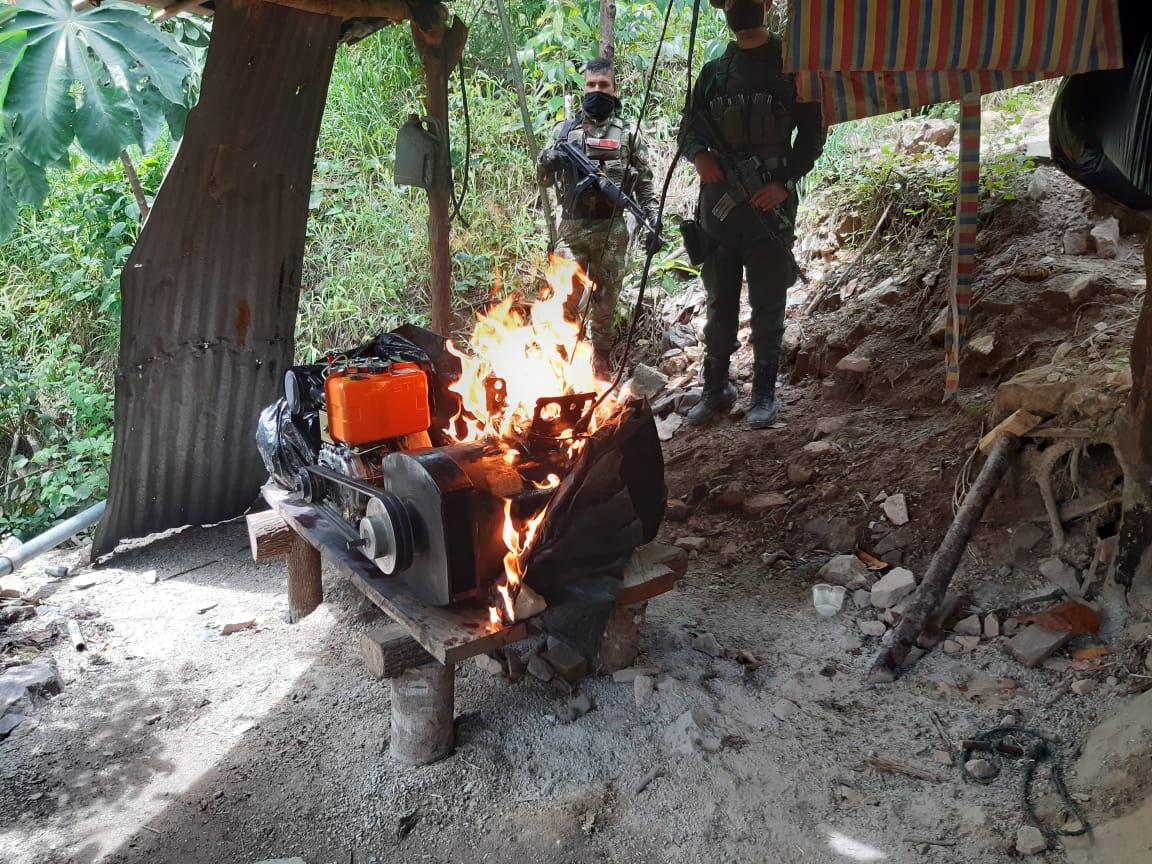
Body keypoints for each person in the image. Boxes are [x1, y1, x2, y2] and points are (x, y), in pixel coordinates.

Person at [677, 0, 825, 427]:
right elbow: (689, 125)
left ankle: (763, 391)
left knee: (767, 300)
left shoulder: (789, 67)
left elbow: (813, 134)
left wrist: (785, 183)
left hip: (768, 207)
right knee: (719, 301)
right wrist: (700, 155)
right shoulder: (714, 72)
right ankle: (716, 387)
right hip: (720, 213)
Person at [539, 57, 660, 379]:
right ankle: (563, 361)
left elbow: (645, 183)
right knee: (565, 297)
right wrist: (547, 162)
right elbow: (544, 180)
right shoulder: (564, 131)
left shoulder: (628, 133)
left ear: (614, 89)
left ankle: (601, 362)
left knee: (606, 302)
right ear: (583, 87)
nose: (596, 91)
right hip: (572, 228)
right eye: (591, 85)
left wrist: (652, 218)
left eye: (603, 85)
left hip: (612, 227)